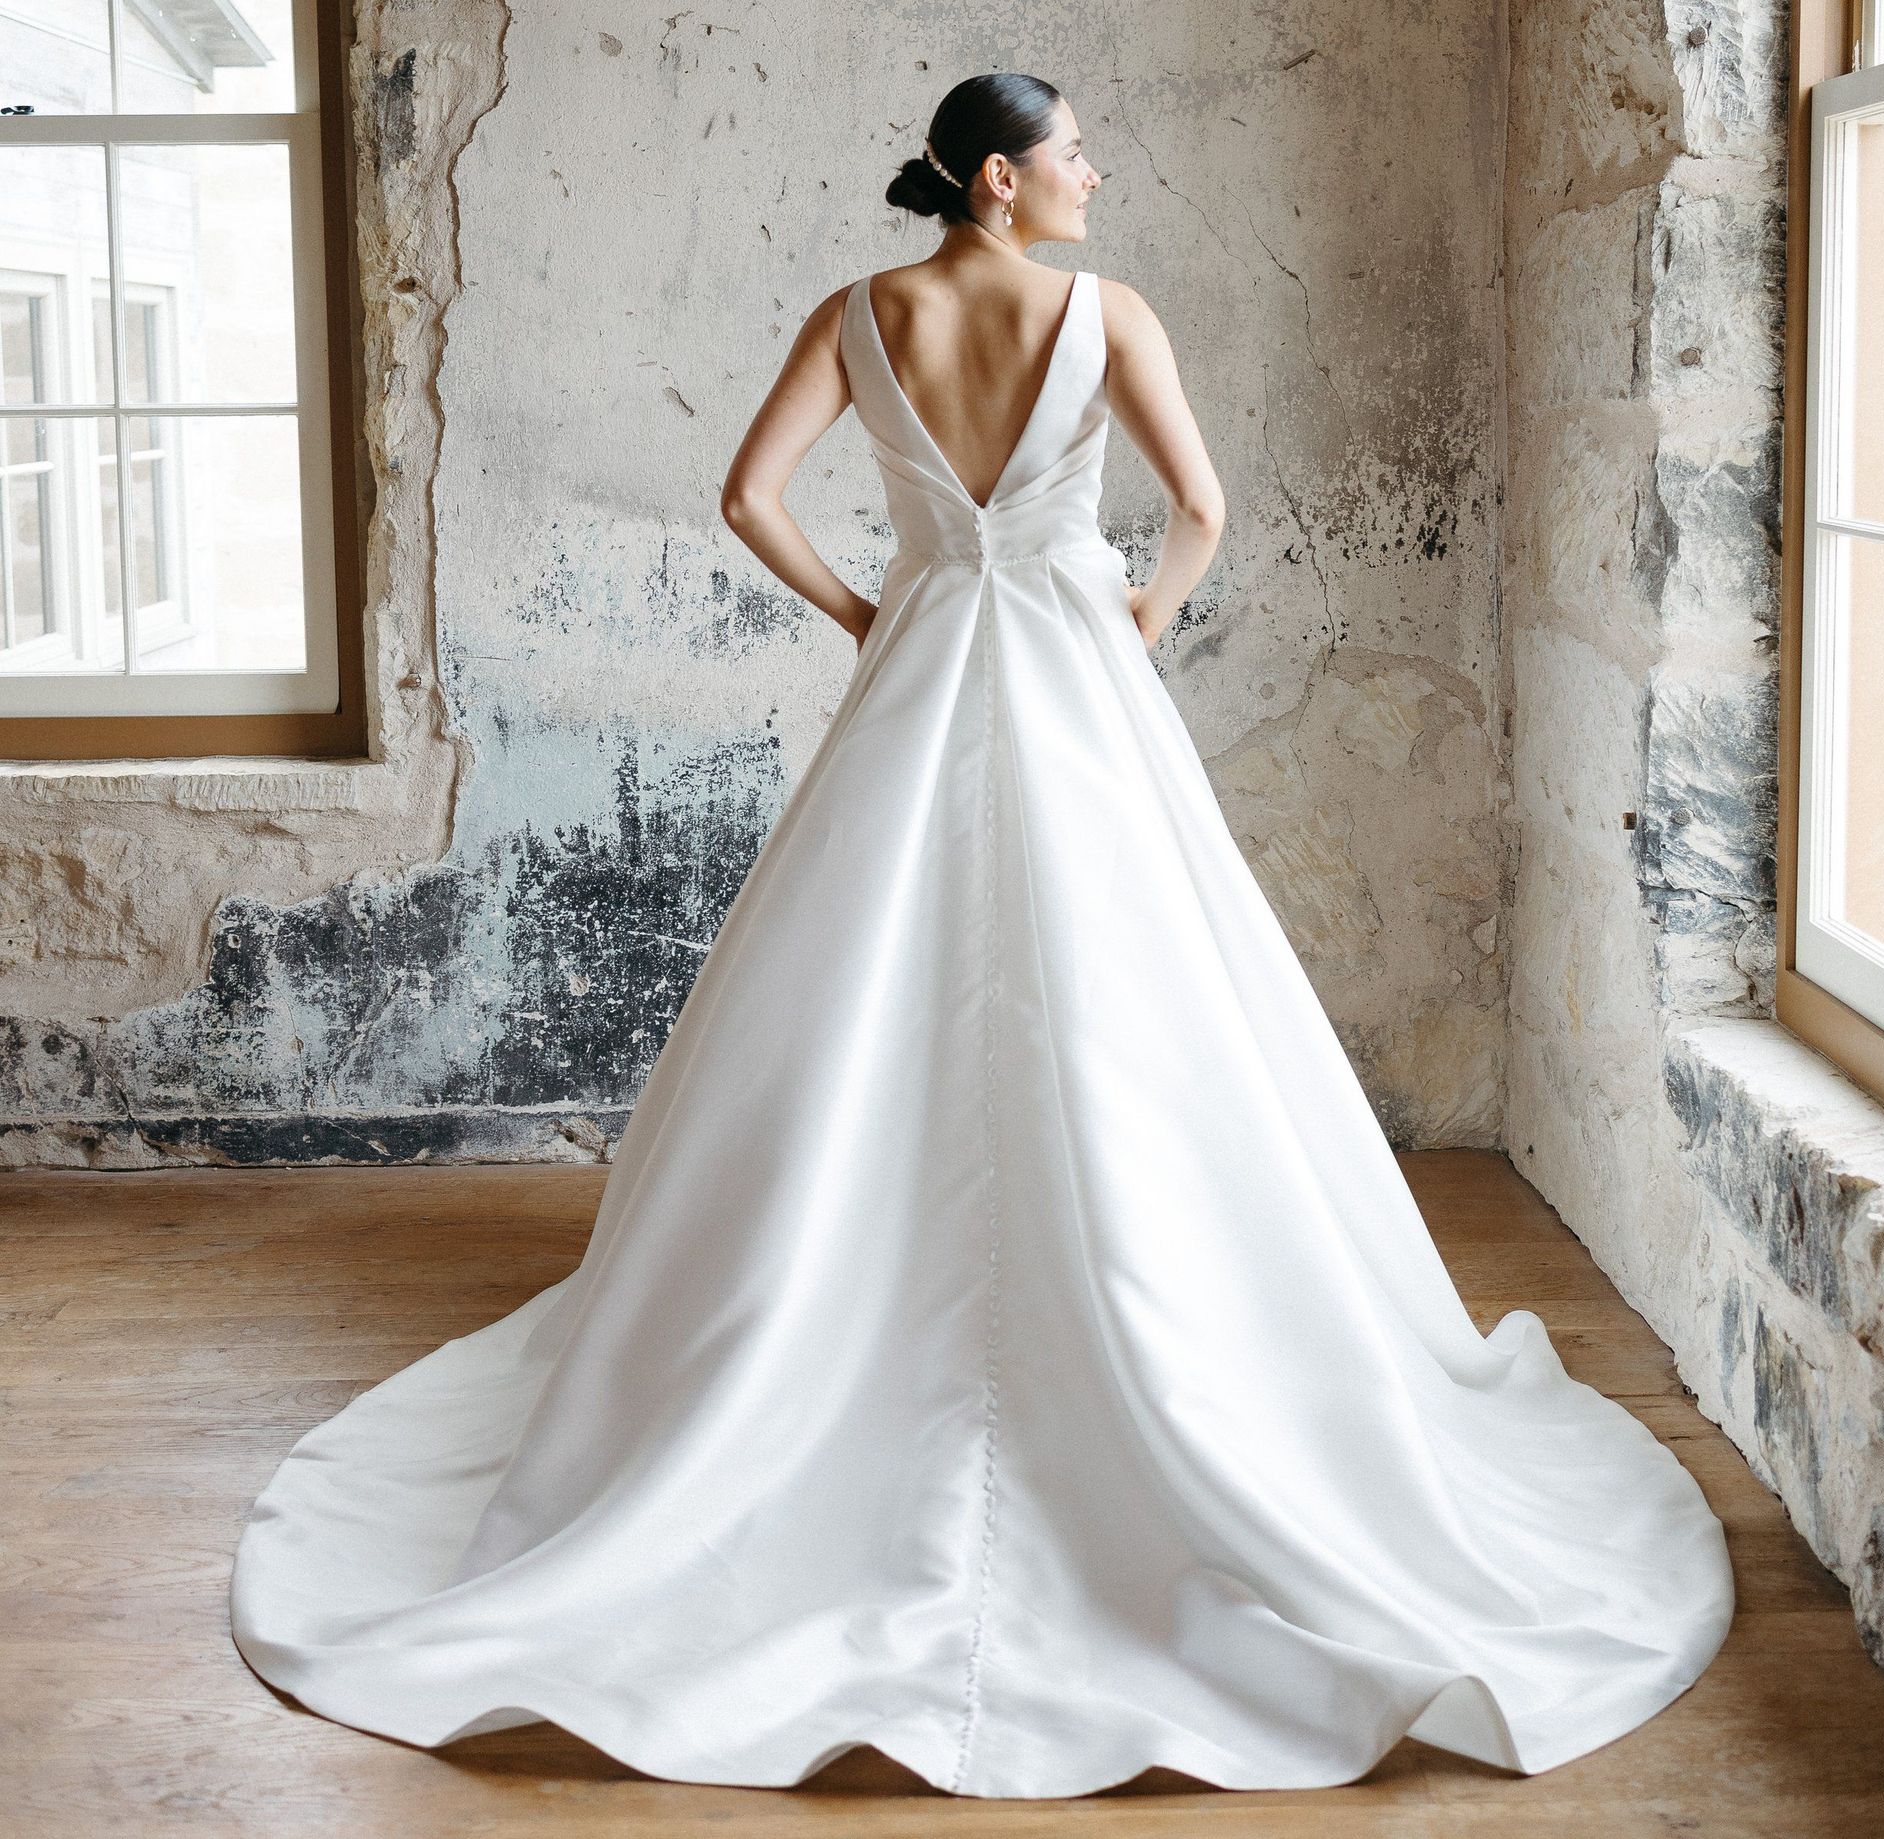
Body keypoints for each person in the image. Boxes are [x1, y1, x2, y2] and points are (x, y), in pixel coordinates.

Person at [229, 72, 1735, 1800]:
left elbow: (747, 499)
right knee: (1145, 1003)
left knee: (862, 997)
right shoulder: (1108, 315)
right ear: (1008, 182)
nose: (1100, 172)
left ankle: (813, 1345)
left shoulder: (862, 314)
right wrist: (1139, 615)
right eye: (1079, 151)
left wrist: (882, 603)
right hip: (1079, 680)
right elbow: (1203, 511)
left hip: (923, 671)